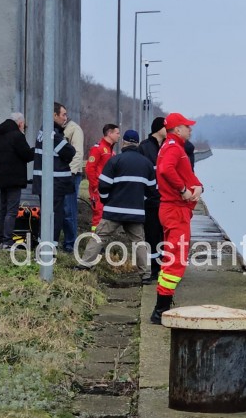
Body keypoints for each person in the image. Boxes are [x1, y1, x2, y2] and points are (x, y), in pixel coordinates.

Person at [75, 130, 156, 275]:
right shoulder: (147, 164)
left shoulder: (115, 160)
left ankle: (84, 265)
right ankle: (145, 274)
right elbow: (152, 191)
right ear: (137, 143)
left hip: (114, 210)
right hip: (135, 212)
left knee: (99, 237)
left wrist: (107, 201)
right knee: (139, 242)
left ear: (124, 142)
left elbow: (104, 185)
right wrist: (139, 202)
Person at [150, 112, 204, 325]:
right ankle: (160, 309)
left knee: (172, 257)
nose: (190, 129)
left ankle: (162, 305)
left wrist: (196, 186)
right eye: (187, 126)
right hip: (175, 210)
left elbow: (176, 170)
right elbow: (166, 169)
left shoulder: (170, 146)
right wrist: (183, 190)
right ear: (177, 129)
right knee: (176, 258)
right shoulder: (173, 147)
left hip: (173, 209)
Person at [32, 102, 76, 244]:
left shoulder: (46, 131)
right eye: (63, 114)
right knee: (54, 216)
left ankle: (44, 245)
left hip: (49, 182)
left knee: (47, 215)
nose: (65, 118)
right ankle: (49, 249)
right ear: (54, 115)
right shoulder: (51, 133)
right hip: (53, 183)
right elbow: (70, 151)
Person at [0, 112, 35, 249]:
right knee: (12, 210)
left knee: (3, 210)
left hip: (2, 178)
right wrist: (37, 150)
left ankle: (0, 240)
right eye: (24, 124)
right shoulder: (17, 136)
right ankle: (7, 241)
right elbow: (27, 155)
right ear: (20, 123)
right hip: (15, 179)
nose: (24, 127)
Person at [137, 116, 167, 284]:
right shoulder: (145, 148)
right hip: (151, 201)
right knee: (152, 235)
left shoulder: (166, 147)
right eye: (165, 127)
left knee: (164, 236)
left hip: (165, 199)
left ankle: (164, 267)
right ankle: (154, 269)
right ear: (158, 128)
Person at [85, 124, 120, 231]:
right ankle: (95, 243)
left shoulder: (111, 151)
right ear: (109, 133)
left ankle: (100, 241)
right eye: (117, 133)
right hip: (99, 189)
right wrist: (95, 186)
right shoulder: (98, 149)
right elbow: (89, 168)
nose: (119, 136)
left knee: (104, 216)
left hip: (106, 189)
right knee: (98, 216)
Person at [63, 116, 85, 252]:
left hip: (71, 174)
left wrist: (70, 173)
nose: (64, 116)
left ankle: (70, 242)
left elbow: (78, 153)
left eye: (65, 114)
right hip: (61, 174)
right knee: (62, 208)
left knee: (68, 209)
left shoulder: (73, 129)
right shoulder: (58, 129)